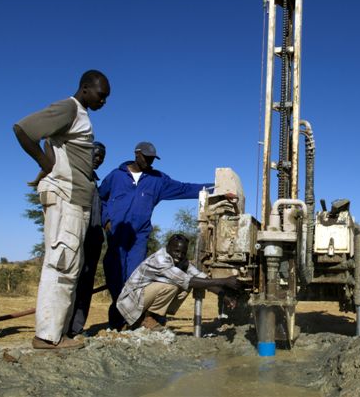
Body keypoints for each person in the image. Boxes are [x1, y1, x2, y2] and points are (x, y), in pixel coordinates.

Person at [13, 70, 110, 350]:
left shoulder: (80, 115)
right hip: (66, 199)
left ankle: (58, 333)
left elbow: (54, 144)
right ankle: (48, 337)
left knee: (71, 266)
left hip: (76, 201)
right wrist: (45, 165)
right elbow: (23, 129)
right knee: (62, 262)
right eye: (101, 95)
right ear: (85, 89)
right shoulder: (69, 107)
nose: (104, 102)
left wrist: (49, 163)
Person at [99, 142, 213, 329]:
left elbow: (184, 189)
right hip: (116, 235)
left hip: (139, 237)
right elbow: (101, 197)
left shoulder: (157, 180)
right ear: (137, 155)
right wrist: (105, 221)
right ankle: (117, 321)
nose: (149, 161)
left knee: (135, 278)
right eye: (146, 157)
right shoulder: (116, 176)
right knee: (115, 276)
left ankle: (139, 320)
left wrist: (215, 189)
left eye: (152, 158)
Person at [116, 234, 241, 330]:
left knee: (185, 286)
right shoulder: (161, 260)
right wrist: (225, 281)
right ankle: (148, 319)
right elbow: (188, 281)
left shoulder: (181, 261)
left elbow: (200, 278)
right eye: (176, 251)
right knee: (174, 286)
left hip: (141, 299)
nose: (179, 255)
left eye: (183, 253)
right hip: (129, 301)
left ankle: (154, 317)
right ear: (167, 247)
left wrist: (222, 295)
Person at [66, 142, 107, 337]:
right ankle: (62, 328)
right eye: (96, 155)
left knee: (86, 283)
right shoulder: (74, 176)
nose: (98, 159)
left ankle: (76, 328)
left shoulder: (95, 182)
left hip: (93, 239)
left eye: (102, 157)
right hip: (77, 237)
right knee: (69, 281)